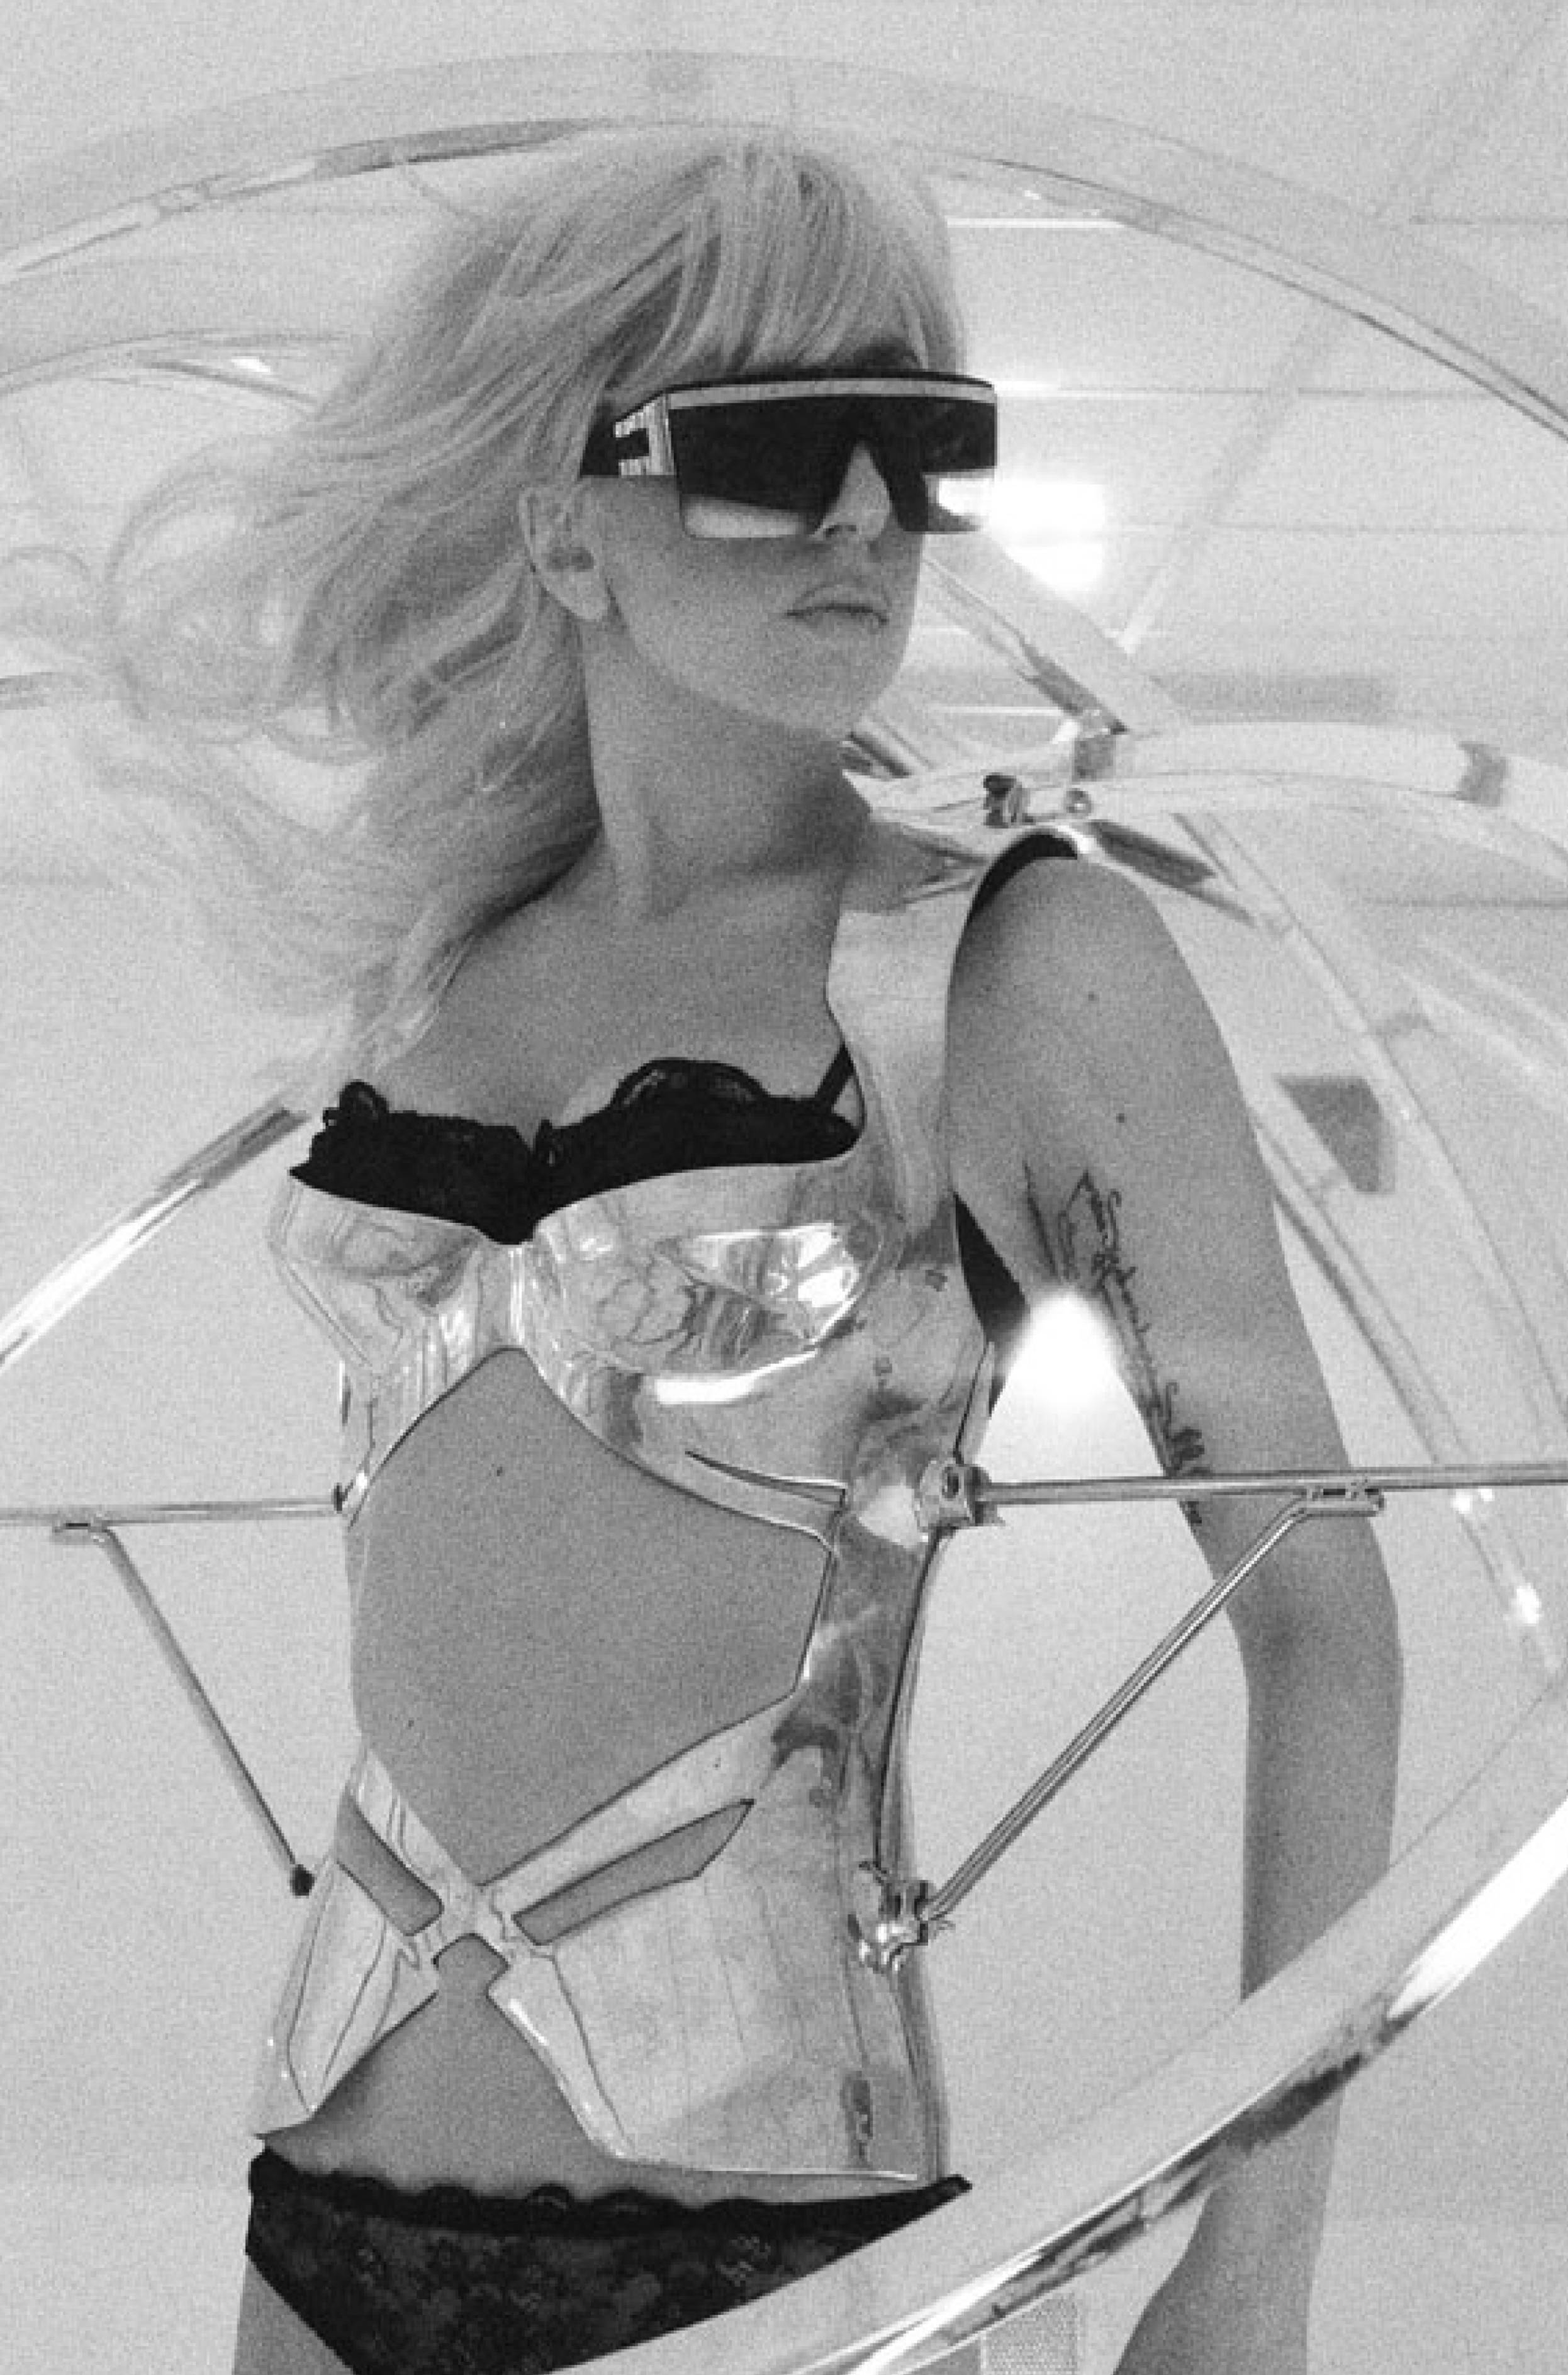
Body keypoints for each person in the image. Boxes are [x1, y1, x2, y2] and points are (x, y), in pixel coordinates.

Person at [28, 125, 1400, 2374]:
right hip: (322, 2218)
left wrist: (1253, 2270)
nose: (866, 518)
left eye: (920, 446)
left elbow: (1320, 1620)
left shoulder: (1017, 967)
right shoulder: (436, 970)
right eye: (769, 451)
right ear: (564, 526)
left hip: (781, 2263)